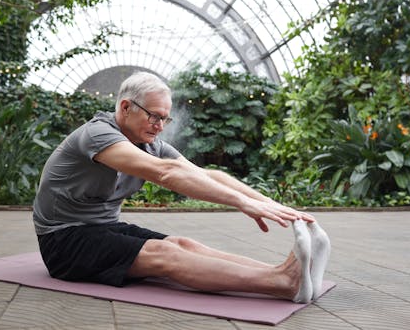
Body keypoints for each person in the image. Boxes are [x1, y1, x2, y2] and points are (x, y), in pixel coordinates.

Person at [33, 71, 330, 303]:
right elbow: (165, 173)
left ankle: (283, 273)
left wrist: (266, 202)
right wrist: (241, 203)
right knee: (164, 256)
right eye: (154, 116)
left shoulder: (150, 143)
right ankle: (281, 284)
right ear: (126, 107)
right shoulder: (97, 134)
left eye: (165, 118)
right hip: (63, 242)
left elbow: (205, 174)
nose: (160, 125)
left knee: (182, 244)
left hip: (100, 229)